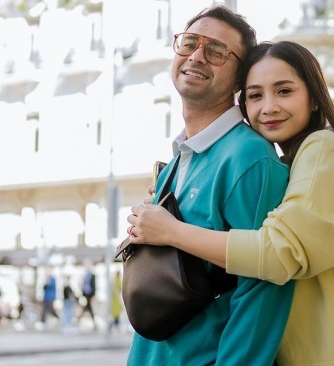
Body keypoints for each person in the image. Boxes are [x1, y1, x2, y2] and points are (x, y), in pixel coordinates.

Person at [128, 40, 334, 365]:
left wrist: (171, 232)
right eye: (255, 95)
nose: (269, 107)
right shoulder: (294, 163)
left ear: (315, 98)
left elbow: (279, 253)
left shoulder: (324, 147)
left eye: (284, 91)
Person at [125, 4, 294, 365]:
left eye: (217, 51)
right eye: (189, 43)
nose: (197, 56)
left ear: (238, 79)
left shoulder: (249, 157)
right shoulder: (177, 157)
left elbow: (264, 287)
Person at [78, 259, 97, 329]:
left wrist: (93, 295)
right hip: (85, 294)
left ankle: (78, 321)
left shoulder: (92, 275)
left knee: (87, 309)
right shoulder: (85, 275)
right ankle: (79, 321)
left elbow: (94, 286)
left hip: (90, 294)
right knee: (86, 309)